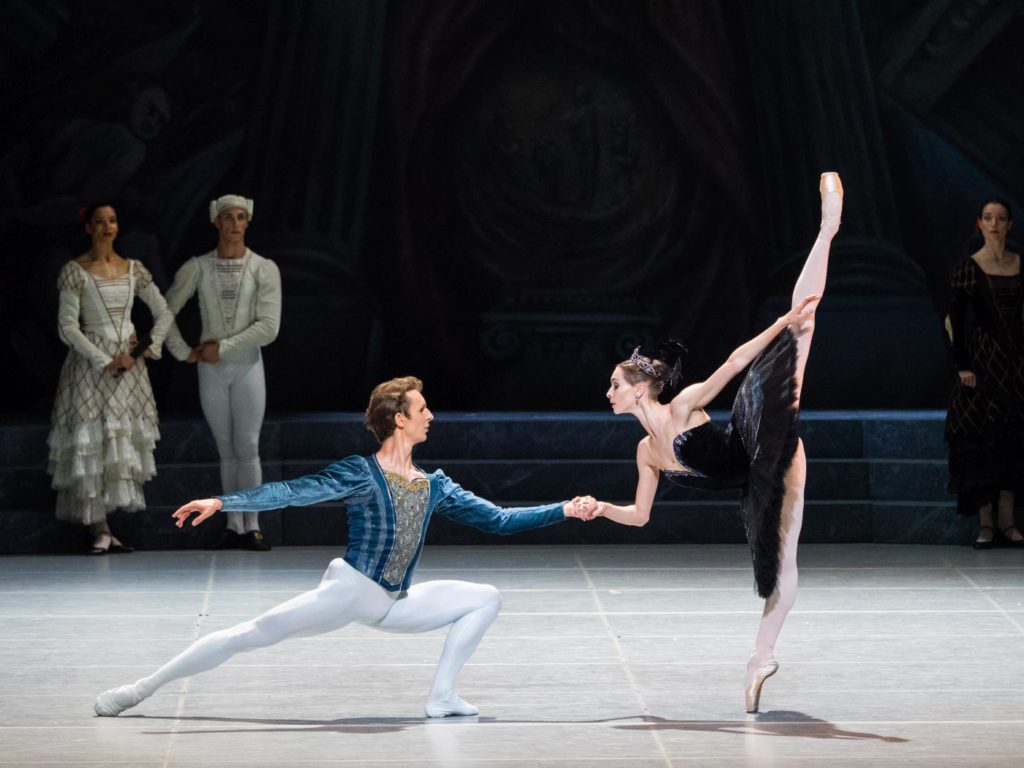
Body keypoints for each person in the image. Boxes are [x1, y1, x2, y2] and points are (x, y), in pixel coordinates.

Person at [94, 376, 594, 719]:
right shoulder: (363, 472)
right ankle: (142, 689)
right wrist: (224, 500)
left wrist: (564, 509)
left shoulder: (433, 484)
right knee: (253, 633)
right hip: (351, 591)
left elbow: (499, 521)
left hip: (393, 601)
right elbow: (291, 492)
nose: (431, 416)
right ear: (399, 418)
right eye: (422, 409)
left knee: (485, 597)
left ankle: (441, 697)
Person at [577, 172, 843, 713]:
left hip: (765, 445)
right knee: (771, 566)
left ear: (640, 388)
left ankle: (828, 229)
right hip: (750, 482)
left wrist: (780, 321)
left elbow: (734, 362)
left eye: (615, 385)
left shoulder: (682, 405)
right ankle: (761, 659)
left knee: (800, 332)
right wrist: (601, 508)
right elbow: (642, 516)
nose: (608, 392)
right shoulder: (645, 453)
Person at [47, 203, 173, 554]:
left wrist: (147, 346)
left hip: (128, 366)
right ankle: (100, 527)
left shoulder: (133, 269)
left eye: (113, 221)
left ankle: (107, 528)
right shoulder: (76, 271)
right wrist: (105, 359)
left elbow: (163, 311)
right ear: (88, 228)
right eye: (100, 222)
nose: (107, 227)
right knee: (93, 441)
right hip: (93, 364)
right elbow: (68, 327)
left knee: (117, 440)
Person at [164, 194, 281, 551]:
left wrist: (223, 347)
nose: (234, 223)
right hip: (212, 370)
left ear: (247, 221)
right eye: (228, 217)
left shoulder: (263, 267)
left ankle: (254, 524)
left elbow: (269, 327)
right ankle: (233, 524)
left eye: (240, 216)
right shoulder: (198, 267)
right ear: (217, 221)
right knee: (227, 450)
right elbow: (165, 311)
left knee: (247, 445)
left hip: (246, 365)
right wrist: (182, 351)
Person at [944, 199, 1024, 549]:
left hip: (1016, 365)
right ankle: (986, 525)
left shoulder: (1020, 264)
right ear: (980, 223)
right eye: (988, 218)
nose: (994, 224)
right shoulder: (969, 268)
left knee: (1012, 441)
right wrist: (963, 365)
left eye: (1001, 218)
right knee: (982, 442)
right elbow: (954, 322)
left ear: (1009, 225)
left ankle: (1008, 522)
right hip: (981, 364)